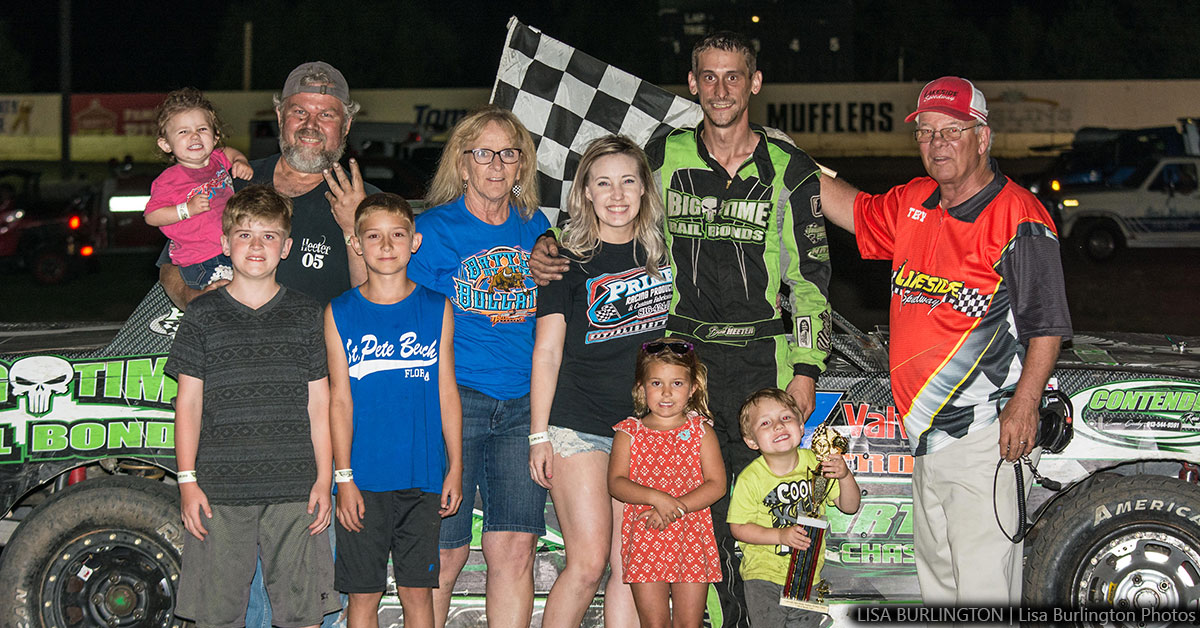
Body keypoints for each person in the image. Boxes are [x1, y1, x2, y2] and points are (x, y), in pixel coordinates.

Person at [531, 31, 831, 626]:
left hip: (763, 362)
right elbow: (609, 211)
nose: (721, 89)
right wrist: (552, 242)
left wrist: (806, 368)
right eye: (709, 77)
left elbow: (813, 278)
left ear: (755, 83)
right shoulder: (663, 155)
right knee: (692, 530)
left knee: (788, 504)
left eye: (734, 76)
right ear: (692, 85)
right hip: (681, 366)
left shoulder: (790, 167)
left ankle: (794, 615)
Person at [819, 76, 1072, 605]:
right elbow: (853, 209)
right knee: (940, 588)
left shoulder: (1019, 217)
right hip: (926, 439)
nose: (937, 144)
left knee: (982, 591)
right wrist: (783, 158)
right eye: (927, 133)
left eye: (952, 131)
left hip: (983, 435)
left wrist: (1025, 404)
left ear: (983, 137)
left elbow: (1046, 325)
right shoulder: (914, 202)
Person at [166, 185, 340, 628]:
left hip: (294, 488)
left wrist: (323, 481)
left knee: (301, 614)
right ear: (225, 244)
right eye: (244, 235)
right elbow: (188, 403)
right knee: (216, 614)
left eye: (268, 236)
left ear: (287, 247)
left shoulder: (306, 314)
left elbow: (319, 404)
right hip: (220, 491)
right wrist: (187, 481)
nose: (256, 246)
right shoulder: (202, 316)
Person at [405, 105, 550, 628]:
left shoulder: (539, 228)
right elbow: (400, 313)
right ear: (462, 164)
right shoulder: (429, 231)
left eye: (508, 154)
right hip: (454, 400)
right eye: (482, 153)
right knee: (446, 551)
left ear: (521, 166)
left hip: (522, 406)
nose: (495, 164)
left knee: (513, 549)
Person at [529, 135, 670, 627]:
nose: (616, 194)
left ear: (644, 189)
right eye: (603, 182)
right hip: (579, 424)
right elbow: (546, 353)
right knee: (588, 563)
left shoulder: (664, 256)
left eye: (628, 181)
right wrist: (539, 433)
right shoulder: (563, 260)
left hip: (645, 432)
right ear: (585, 192)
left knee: (631, 567)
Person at [325, 193, 464, 628]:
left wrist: (455, 466)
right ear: (357, 244)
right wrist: (343, 477)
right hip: (362, 481)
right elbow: (339, 400)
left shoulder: (436, 307)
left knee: (417, 596)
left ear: (415, 242)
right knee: (363, 598)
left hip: (420, 477)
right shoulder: (340, 312)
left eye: (397, 235)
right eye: (374, 236)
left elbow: (447, 392)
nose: (386, 246)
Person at [160, 61, 374, 309]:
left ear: (346, 125)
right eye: (299, 112)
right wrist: (192, 298)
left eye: (326, 115)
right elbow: (170, 263)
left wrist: (352, 228)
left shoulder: (366, 201)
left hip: (319, 346)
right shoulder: (228, 181)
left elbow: (375, 303)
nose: (310, 125)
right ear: (280, 117)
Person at [608, 338, 726, 628]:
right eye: (656, 383)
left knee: (690, 624)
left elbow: (716, 485)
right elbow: (616, 483)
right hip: (646, 536)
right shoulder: (629, 432)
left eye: (677, 384)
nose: (666, 393)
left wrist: (674, 507)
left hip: (690, 535)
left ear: (693, 388)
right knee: (654, 624)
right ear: (641, 387)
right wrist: (657, 498)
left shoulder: (701, 432)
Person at [728, 388, 860, 627]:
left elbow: (849, 506)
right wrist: (779, 535)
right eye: (766, 423)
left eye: (786, 418)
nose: (778, 426)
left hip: (808, 576)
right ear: (751, 441)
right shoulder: (751, 478)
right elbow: (737, 528)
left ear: (801, 427)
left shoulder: (817, 464)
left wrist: (844, 475)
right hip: (763, 577)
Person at [144, 88, 254, 289]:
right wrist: (187, 209)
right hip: (203, 260)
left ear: (215, 137)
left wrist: (240, 161)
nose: (194, 136)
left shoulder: (217, 159)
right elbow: (152, 216)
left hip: (232, 249)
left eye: (202, 129)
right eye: (183, 131)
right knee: (220, 303)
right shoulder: (168, 180)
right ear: (166, 144)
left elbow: (229, 152)